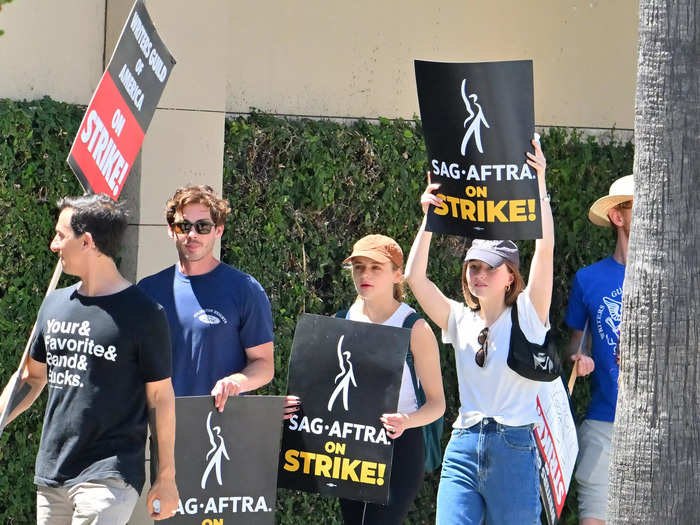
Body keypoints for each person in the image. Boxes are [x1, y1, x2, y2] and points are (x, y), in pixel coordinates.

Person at [0, 194, 178, 523]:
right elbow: (32, 377)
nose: (54, 245)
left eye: (60, 235)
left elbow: (160, 397)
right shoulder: (53, 305)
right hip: (53, 473)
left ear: (87, 241)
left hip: (108, 475)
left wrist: (165, 477)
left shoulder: (144, 315)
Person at [404, 136, 552, 524]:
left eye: (489, 267)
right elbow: (413, 278)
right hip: (464, 445)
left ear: (510, 277)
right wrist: (429, 219)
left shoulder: (529, 313)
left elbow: (545, 250)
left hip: (514, 447)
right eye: (473, 266)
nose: (479, 274)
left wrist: (540, 185)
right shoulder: (459, 318)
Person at [287, 234, 445, 524]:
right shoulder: (340, 320)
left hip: (400, 444)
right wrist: (294, 406)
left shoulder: (415, 328)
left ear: (398, 274)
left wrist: (406, 421)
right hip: (351, 444)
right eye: (358, 267)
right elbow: (323, 393)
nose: (365, 274)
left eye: (376, 267)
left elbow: (438, 404)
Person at [138, 185, 274, 409]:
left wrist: (236, 382)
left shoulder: (244, 289)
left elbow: (264, 364)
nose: (192, 234)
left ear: (218, 230)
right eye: (184, 226)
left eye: (202, 226)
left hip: (222, 429)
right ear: (172, 230)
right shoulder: (148, 291)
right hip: (165, 428)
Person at [565, 174, 634, 525]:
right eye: (639, 207)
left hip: (662, 426)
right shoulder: (588, 279)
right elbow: (577, 344)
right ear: (617, 217)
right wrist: (580, 357)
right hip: (604, 420)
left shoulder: (679, 276)